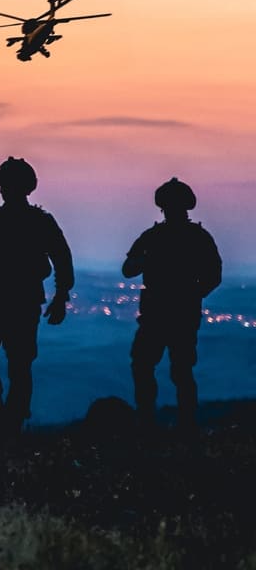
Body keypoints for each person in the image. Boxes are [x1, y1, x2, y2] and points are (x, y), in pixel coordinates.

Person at [0, 157, 74, 433]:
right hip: (15, 301)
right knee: (15, 365)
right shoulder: (36, 222)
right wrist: (60, 296)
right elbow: (62, 259)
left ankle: (5, 415)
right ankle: (6, 414)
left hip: (0, 302)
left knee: (0, 362)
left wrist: (61, 296)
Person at [123, 178, 222, 430]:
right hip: (179, 314)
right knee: (179, 371)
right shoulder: (198, 237)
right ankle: (182, 424)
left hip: (159, 313)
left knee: (149, 366)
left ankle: (150, 422)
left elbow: (129, 269)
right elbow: (213, 276)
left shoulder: (153, 237)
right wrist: (193, 295)